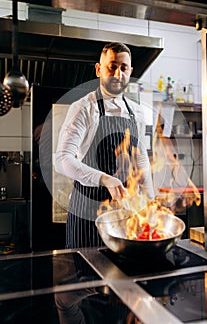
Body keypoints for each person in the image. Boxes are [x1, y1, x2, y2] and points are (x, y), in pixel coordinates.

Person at [54, 41, 154, 249]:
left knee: (122, 275)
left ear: (130, 72)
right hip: (88, 214)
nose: (118, 74)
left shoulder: (137, 112)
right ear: (99, 69)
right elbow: (62, 159)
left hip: (125, 216)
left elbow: (141, 158)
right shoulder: (83, 108)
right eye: (112, 66)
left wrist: (151, 201)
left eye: (124, 68)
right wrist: (106, 179)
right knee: (89, 277)